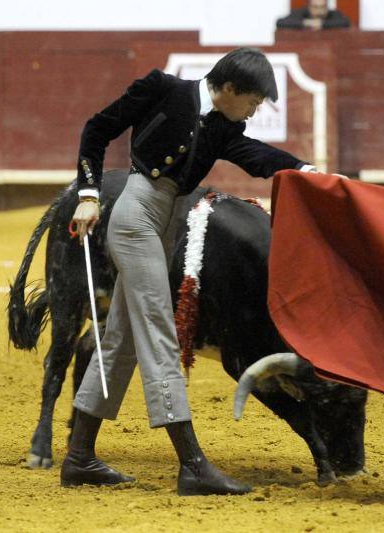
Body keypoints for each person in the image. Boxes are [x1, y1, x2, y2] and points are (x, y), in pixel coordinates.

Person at [65, 47, 314, 496]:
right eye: (253, 101)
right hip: (135, 215)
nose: (254, 111)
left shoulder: (224, 127)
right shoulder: (162, 89)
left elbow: (254, 154)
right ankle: (193, 465)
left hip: (163, 225)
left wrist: (304, 169)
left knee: (120, 340)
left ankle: (79, 457)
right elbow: (97, 128)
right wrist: (88, 193)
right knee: (160, 333)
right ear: (231, 88)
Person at [276, 0, 351, 30]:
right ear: (309, 7)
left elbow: (346, 22)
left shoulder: (334, 14)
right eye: (315, 7)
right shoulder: (299, 13)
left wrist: (322, 24)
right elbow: (280, 22)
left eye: (323, 7)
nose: (320, 11)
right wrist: (306, 23)